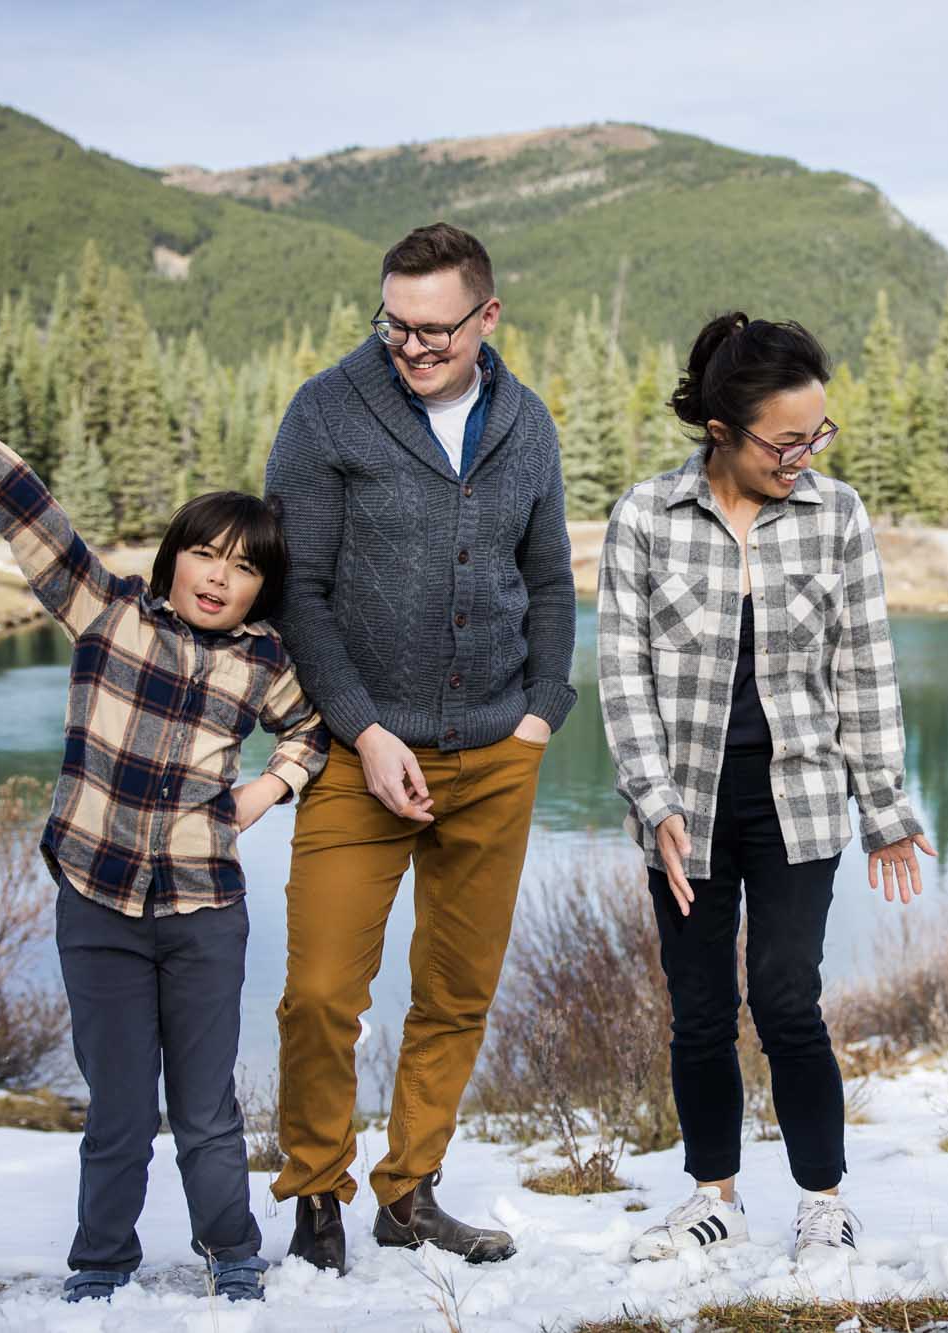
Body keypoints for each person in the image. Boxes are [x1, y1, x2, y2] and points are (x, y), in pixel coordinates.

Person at [0, 338, 330, 1304]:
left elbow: (311, 733)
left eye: (242, 568)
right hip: (97, 906)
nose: (218, 577)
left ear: (261, 589)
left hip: (202, 913)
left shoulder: (265, 662)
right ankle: (101, 1262)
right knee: (115, 1107)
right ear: (174, 556)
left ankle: (232, 1253)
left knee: (205, 1107)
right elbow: (27, 510)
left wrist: (269, 788)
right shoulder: (108, 614)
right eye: (204, 554)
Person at [262, 223, 576, 1270]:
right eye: (394, 324)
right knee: (318, 993)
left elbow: (548, 582)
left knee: (455, 991)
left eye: (435, 329)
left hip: (495, 753)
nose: (411, 346)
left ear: (486, 317)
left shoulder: (526, 423)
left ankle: (410, 1191)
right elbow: (295, 591)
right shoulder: (324, 410)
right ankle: (315, 1193)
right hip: (359, 756)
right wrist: (362, 726)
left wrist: (542, 711)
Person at [598, 313, 934, 1266]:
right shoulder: (644, 518)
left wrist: (887, 809)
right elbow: (622, 675)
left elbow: (865, 668)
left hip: (802, 798)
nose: (804, 456)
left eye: (816, 436)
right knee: (699, 1005)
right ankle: (714, 1195)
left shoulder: (838, 516)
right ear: (720, 428)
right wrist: (653, 800)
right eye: (786, 441)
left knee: (788, 998)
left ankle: (823, 1198)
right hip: (686, 805)